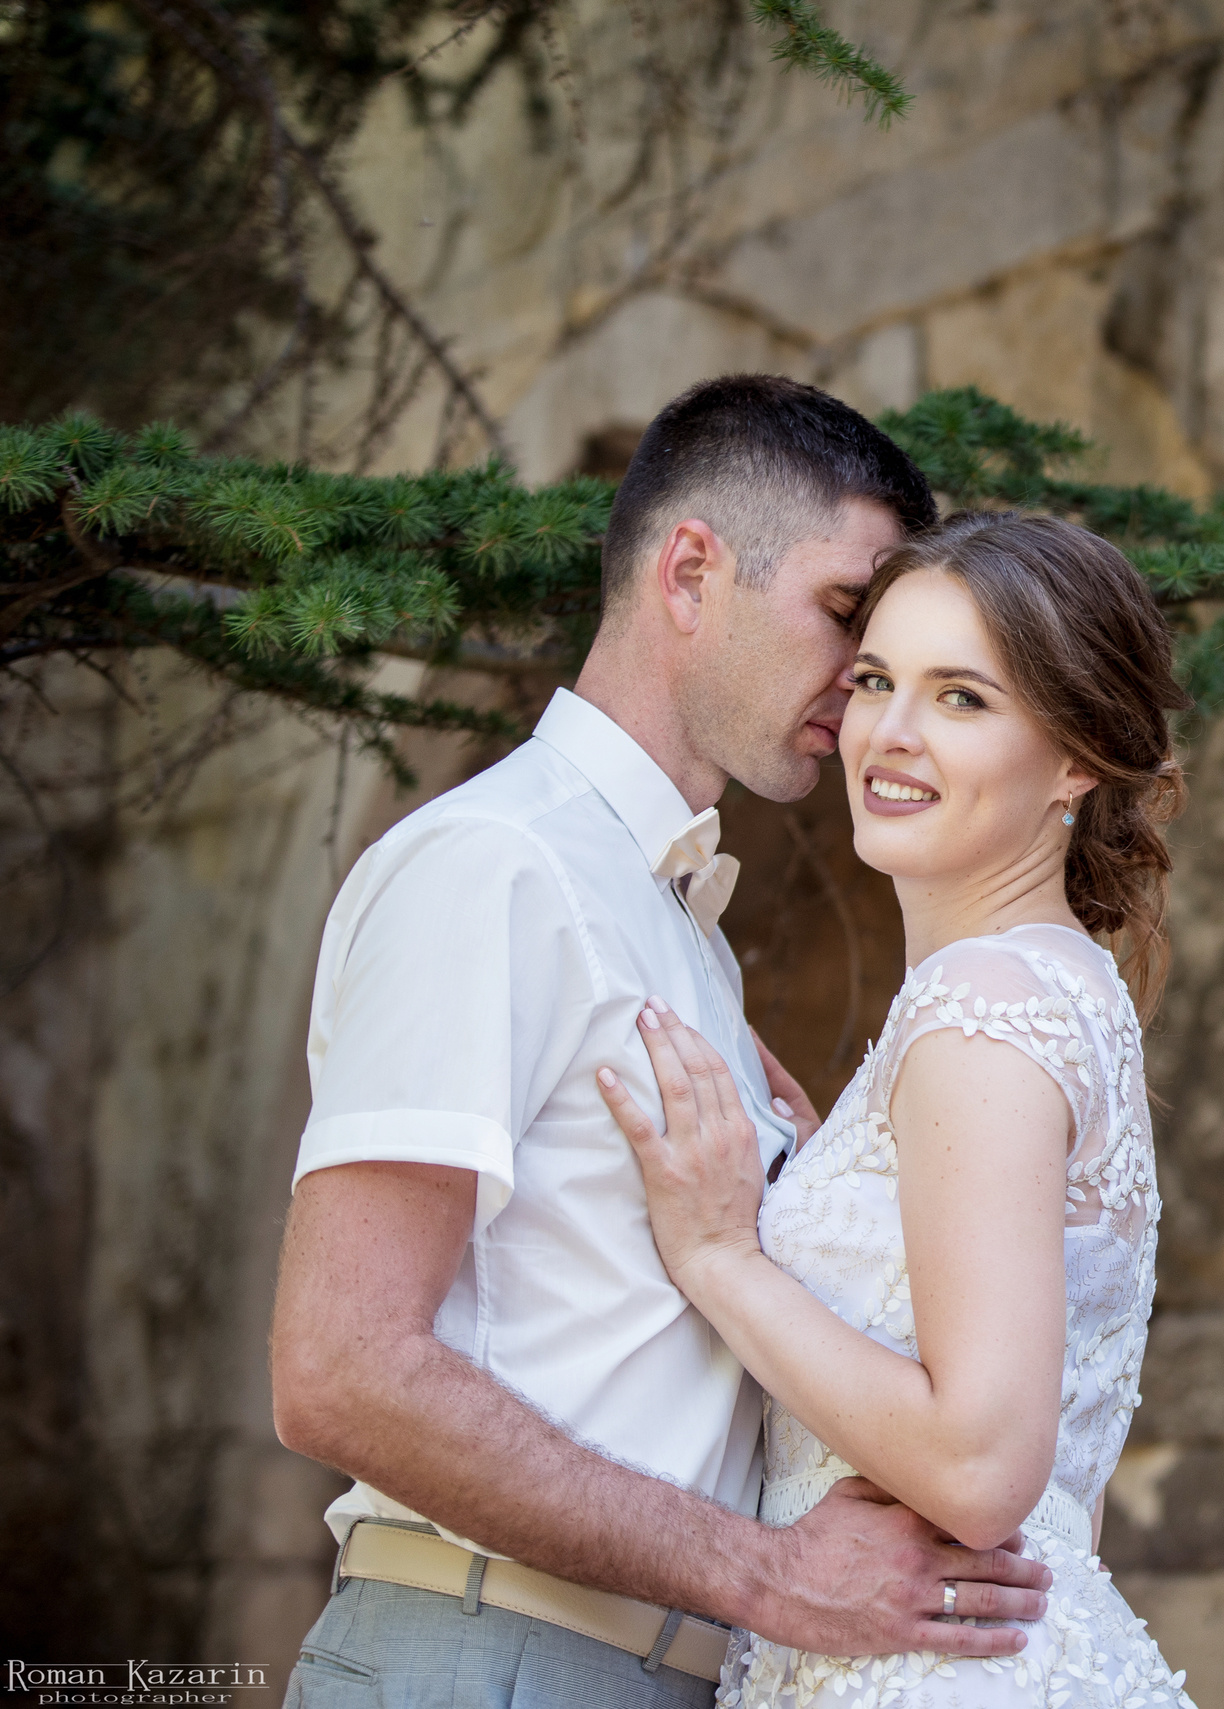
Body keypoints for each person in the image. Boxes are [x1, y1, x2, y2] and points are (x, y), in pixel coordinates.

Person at [269, 377, 1053, 1707]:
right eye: (845, 617)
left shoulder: (673, 922)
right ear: (692, 569)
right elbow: (340, 1372)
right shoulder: (496, 865)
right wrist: (765, 1573)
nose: (863, 685)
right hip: (492, 1662)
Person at [597, 510, 1196, 1707]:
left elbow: (979, 1464)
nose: (891, 733)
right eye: (875, 679)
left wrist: (720, 1253)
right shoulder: (1054, 981)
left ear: (1076, 755)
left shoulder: (983, 1004)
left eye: (963, 698)